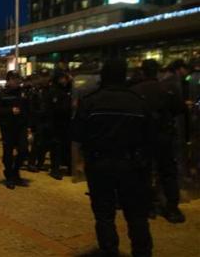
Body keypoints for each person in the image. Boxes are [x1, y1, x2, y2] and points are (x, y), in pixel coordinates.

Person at [72, 60, 153, 256]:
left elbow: (76, 134)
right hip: (132, 165)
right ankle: (142, 252)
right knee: (136, 215)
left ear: (103, 76)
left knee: (104, 214)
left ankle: (110, 250)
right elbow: (150, 136)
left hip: (100, 164)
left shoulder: (91, 101)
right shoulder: (138, 101)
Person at [132, 60, 186, 223]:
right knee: (168, 172)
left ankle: (148, 206)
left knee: (145, 172)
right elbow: (179, 110)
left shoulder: (135, 90)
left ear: (142, 72)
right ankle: (172, 208)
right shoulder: (169, 88)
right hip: (164, 135)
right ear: (157, 71)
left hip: (143, 137)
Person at [0, 71, 29, 189]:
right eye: (14, 79)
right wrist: (10, 110)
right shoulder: (3, 94)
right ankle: (9, 175)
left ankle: (15, 171)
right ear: (9, 80)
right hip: (8, 127)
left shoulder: (23, 93)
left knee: (24, 150)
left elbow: (28, 109)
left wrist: (30, 126)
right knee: (8, 152)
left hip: (21, 126)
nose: (17, 81)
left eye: (18, 79)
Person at [46, 70, 72, 180]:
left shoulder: (68, 90)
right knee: (56, 146)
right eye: (63, 78)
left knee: (66, 146)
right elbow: (54, 109)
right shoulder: (54, 91)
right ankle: (55, 169)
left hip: (67, 123)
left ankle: (67, 166)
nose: (64, 80)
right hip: (56, 123)